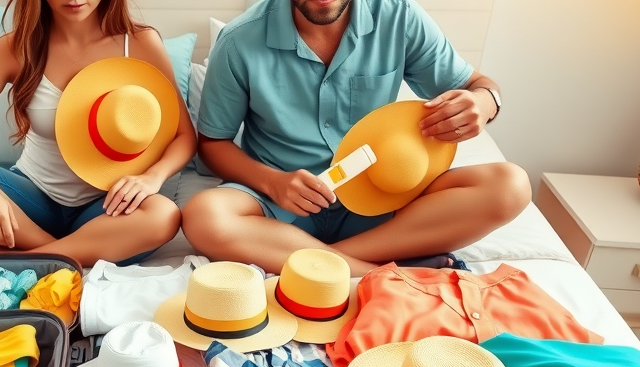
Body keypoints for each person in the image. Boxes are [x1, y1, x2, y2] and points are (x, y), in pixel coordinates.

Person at [182, 0, 531, 276]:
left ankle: (327, 263)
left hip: (382, 200)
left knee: (511, 185)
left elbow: (478, 85)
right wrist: (274, 184)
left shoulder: (400, 16)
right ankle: (377, 274)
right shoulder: (239, 40)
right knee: (203, 216)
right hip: (280, 204)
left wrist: (486, 103)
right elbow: (213, 145)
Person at [0, 0, 196, 267]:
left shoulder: (139, 43)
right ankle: (55, 253)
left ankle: (23, 257)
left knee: (164, 215)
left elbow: (183, 136)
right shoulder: (15, 48)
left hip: (105, 205)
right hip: (32, 203)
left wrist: (152, 178)